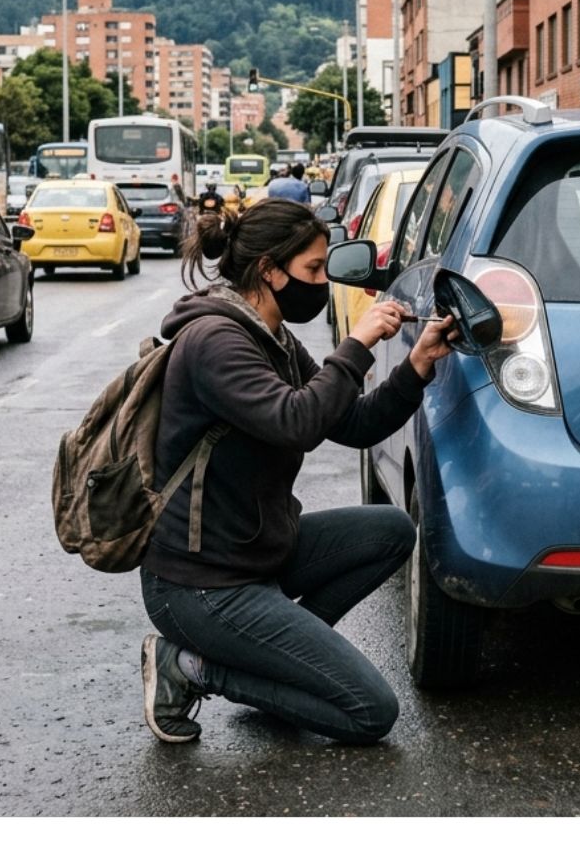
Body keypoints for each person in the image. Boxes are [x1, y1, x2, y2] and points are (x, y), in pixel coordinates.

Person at [138, 199, 457, 745]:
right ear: (270, 269)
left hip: (257, 551)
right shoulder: (216, 341)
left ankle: (284, 670)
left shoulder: (272, 337)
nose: (320, 280)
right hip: (201, 584)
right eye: (312, 269)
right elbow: (296, 422)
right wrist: (356, 344)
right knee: (370, 711)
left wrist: (417, 366)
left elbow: (351, 422)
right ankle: (187, 666)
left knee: (392, 532)